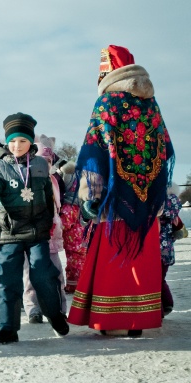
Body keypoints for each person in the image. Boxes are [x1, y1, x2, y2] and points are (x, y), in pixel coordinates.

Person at [67, 45, 175, 337]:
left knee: (115, 260)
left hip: (115, 199)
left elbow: (94, 153)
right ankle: (138, 321)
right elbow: (164, 149)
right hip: (147, 198)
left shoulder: (107, 102)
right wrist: (154, 190)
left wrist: (91, 195)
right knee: (140, 257)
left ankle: (110, 319)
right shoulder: (151, 104)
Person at [0, 112, 69, 345]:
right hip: (9, 234)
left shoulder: (39, 165)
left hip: (37, 233)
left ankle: (55, 316)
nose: (17, 145)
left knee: (44, 275)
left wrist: (49, 222)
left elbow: (47, 196)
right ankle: (7, 328)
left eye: (23, 141)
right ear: (7, 142)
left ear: (30, 142)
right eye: (13, 141)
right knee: (7, 279)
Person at [22, 135, 67, 323]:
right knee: (31, 276)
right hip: (32, 236)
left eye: (49, 161)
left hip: (52, 237)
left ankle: (59, 309)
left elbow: (59, 206)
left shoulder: (55, 181)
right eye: (41, 161)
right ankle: (33, 309)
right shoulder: (26, 180)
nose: (45, 165)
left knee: (56, 274)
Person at [54, 158, 87, 293]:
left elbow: (65, 224)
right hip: (83, 240)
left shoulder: (69, 206)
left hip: (73, 242)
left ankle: (74, 286)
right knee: (82, 263)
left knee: (74, 264)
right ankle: (81, 285)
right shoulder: (82, 205)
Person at [159, 185, 183, 317]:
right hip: (167, 249)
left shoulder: (160, 204)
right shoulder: (174, 205)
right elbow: (178, 226)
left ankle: (160, 310)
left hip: (156, 247)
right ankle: (167, 303)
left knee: (155, 279)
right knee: (160, 278)